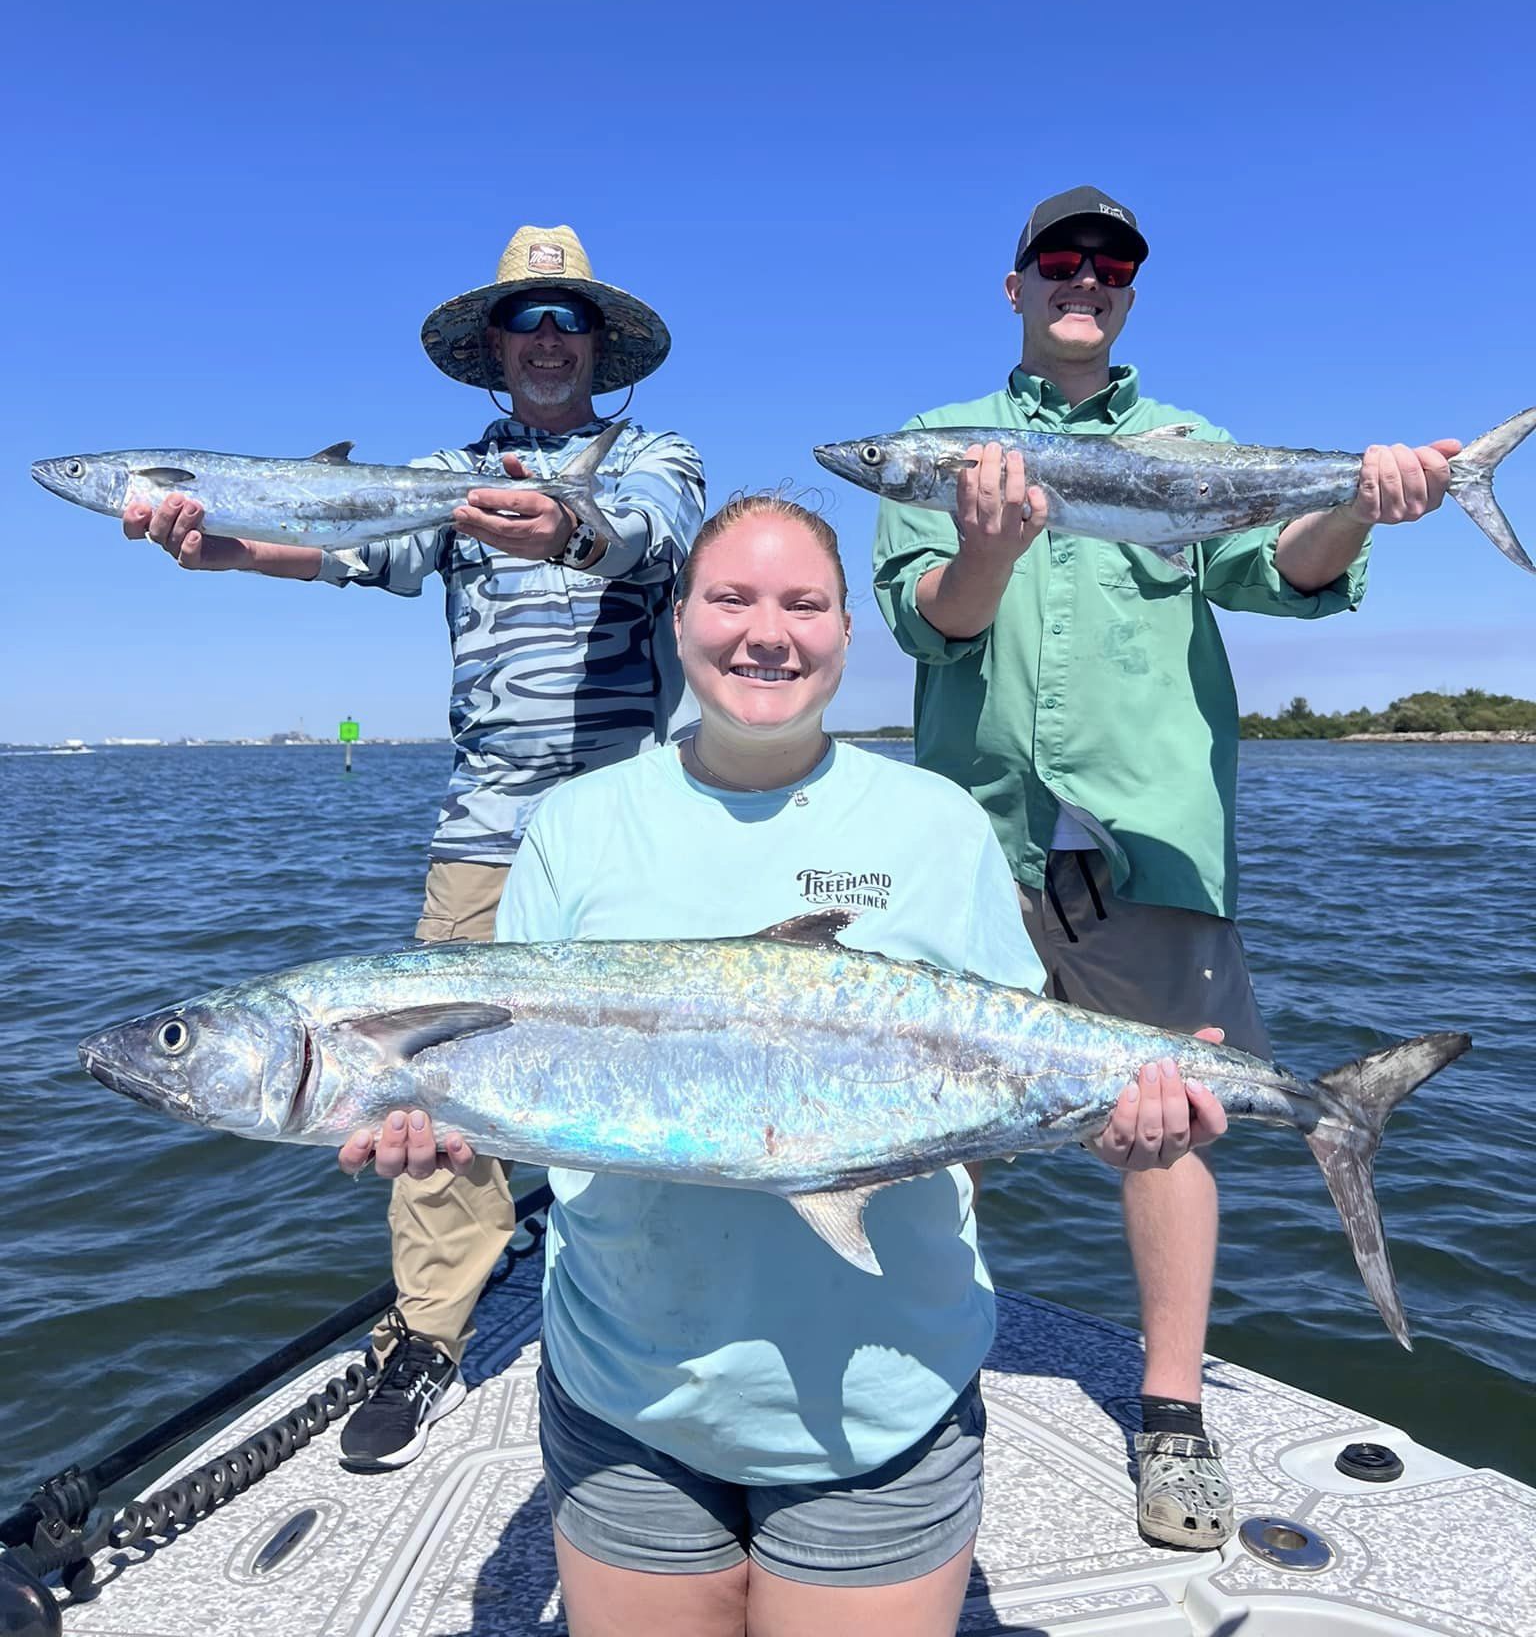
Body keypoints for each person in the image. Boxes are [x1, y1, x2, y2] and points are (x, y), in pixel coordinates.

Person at [340, 495, 1226, 1636]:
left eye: (805, 603)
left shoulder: (937, 818)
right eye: (732, 598)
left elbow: (1018, 1051)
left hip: (885, 1391)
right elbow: (522, 1070)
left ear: (849, 634)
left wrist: (1117, 1111)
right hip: (627, 1388)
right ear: (677, 621)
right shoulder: (572, 822)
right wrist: (438, 1123)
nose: (769, 631)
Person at [871, 183, 1460, 1550]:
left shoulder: (1195, 446)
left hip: (1155, 836)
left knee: (1174, 1122)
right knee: (929, 1113)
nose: (1084, 278)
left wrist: (1365, 505)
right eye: (1058, 260)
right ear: (1011, 285)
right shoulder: (936, 447)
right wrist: (986, 546)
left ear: (1129, 290)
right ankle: (911, 1370)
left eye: (1110, 263)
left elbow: (1287, 573)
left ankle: (1175, 1416)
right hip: (980, 839)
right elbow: (929, 627)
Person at [122, 223, 705, 1470]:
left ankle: (662, 1303)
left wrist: (560, 529)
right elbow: (336, 549)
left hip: (637, 830)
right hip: (484, 833)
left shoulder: (659, 452)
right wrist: (209, 541)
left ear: (598, 343)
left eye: (569, 320)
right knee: (422, 1093)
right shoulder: (443, 473)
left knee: (662, 1083)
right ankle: (429, 1331)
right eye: (526, 321)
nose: (548, 341)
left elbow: (651, 537)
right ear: (494, 346)